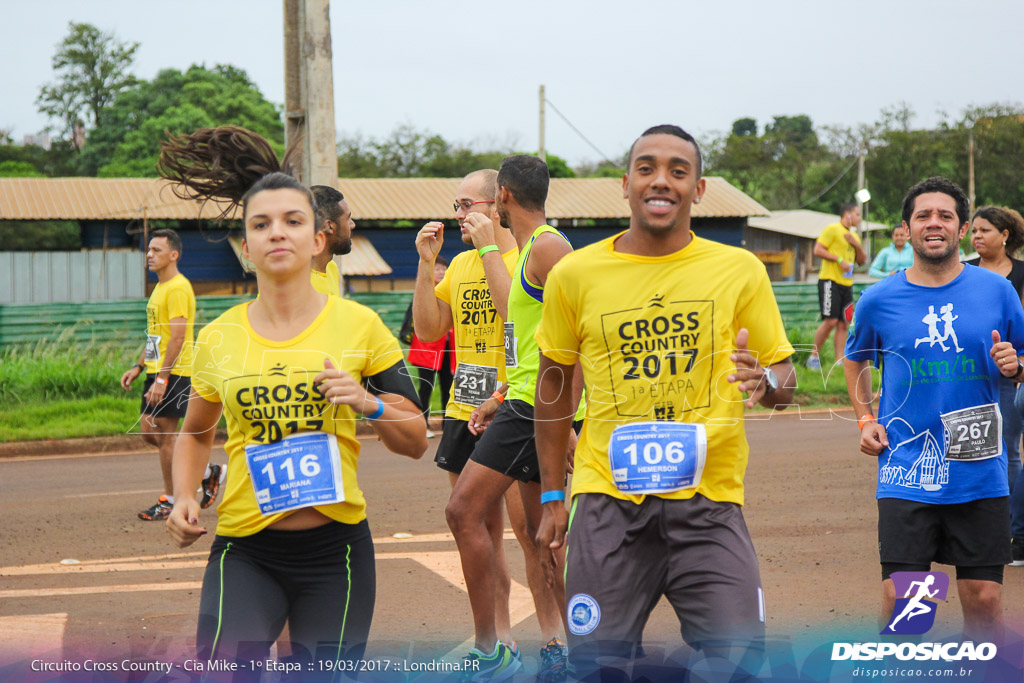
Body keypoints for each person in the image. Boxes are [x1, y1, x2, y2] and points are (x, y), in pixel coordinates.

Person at [158, 126, 426, 676]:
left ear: (317, 239)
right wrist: (183, 494)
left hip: (338, 555)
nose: (277, 233)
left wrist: (368, 404)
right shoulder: (220, 337)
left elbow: (417, 437)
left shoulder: (360, 325)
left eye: (292, 221)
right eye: (261, 224)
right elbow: (194, 432)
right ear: (247, 243)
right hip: (245, 550)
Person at [533, 125, 796, 678]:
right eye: (647, 167)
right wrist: (554, 494)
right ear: (625, 183)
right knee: (599, 667)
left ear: (698, 189)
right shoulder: (575, 274)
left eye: (679, 170)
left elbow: (784, 377)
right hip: (607, 504)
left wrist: (765, 382)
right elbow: (553, 385)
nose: (662, 180)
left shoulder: (738, 270)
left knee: (741, 663)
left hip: (708, 504)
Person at [844, 177, 1024, 643]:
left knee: (984, 599)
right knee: (909, 603)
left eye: (945, 215)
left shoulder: (997, 291)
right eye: (923, 215)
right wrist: (866, 419)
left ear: (961, 228)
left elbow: (1021, 359)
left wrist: (1016, 365)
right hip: (906, 469)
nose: (934, 223)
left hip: (981, 468)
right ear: (907, 228)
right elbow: (855, 359)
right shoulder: (878, 299)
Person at [413, 168, 567, 680]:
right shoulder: (462, 262)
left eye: (465, 204)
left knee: (532, 531)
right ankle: (500, 638)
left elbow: (528, 327)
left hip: (526, 406)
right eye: (453, 206)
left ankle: (555, 641)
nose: (457, 215)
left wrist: (548, 411)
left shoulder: (529, 253)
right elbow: (431, 329)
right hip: (475, 404)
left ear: (497, 200)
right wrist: (425, 266)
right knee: (476, 522)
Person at [444, 154, 585, 681]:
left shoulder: (550, 247)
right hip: (523, 400)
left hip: (540, 410)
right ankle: (562, 646)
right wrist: (499, 393)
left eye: (471, 202)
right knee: (542, 535)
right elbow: (519, 324)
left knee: (463, 511)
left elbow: (580, 335)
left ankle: (494, 649)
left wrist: (566, 421)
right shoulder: (527, 250)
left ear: (502, 196)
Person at [120, 228, 223, 521]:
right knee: (149, 432)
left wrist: (163, 380)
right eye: (148, 250)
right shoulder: (159, 289)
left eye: (156, 250)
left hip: (176, 371)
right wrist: (140, 367)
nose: (149, 255)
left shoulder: (178, 288)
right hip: (158, 370)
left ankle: (170, 499)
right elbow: (156, 337)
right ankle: (206, 471)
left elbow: (178, 339)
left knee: (165, 436)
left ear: (173, 255)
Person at [966, 205, 1024, 566]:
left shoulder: (1020, 273)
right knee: (970, 445)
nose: (976, 237)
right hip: (969, 371)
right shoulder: (964, 271)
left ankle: (1009, 527)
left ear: (1004, 235)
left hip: (1008, 372)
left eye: (984, 230)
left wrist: (1017, 365)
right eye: (973, 231)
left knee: (1007, 448)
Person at [808, 202, 867, 370]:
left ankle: (839, 360)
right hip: (829, 281)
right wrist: (839, 260)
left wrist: (855, 244)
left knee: (843, 323)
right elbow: (818, 250)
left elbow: (862, 261)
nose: (859, 218)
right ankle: (813, 357)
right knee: (830, 321)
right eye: (857, 214)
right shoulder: (832, 229)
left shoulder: (855, 236)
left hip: (847, 284)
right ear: (847, 214)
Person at [401, 256, 455, 437]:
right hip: (427, 349)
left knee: (449, 389)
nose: (441, 272)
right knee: (426, 387)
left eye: (443, 269)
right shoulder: (424, 290)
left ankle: (448, 427)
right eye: (437, 269)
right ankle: (423, 425)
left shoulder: (452, 289)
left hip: (449, 349)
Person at [308, 184, 355, 296]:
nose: (352, 225)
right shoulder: (292, 286)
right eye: (347, 218)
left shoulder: (331, 268)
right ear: (329, 226)